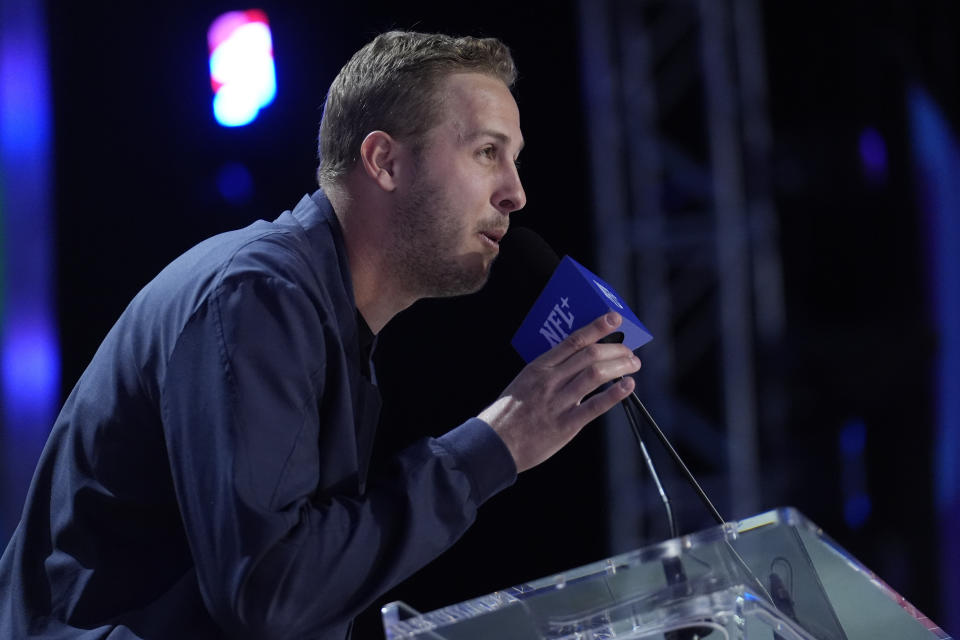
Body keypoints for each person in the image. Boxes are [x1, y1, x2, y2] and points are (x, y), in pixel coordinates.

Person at [0, 30, 640, 639]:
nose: (516, 193)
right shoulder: (259, 294)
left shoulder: (315, 312)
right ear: (384, 160)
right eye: (486, 152)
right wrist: (495, 442)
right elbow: (270, 595)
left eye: (515, 160)